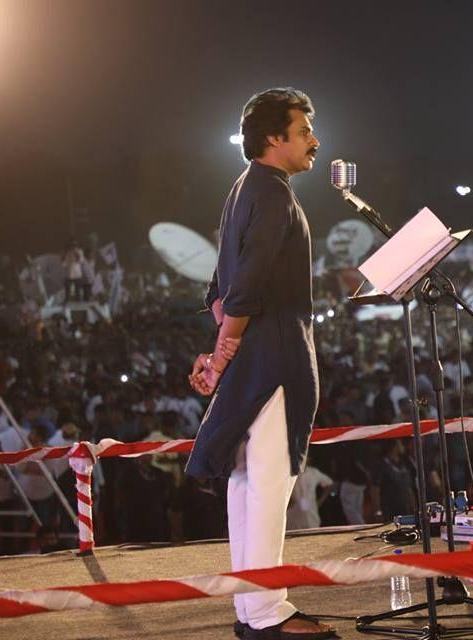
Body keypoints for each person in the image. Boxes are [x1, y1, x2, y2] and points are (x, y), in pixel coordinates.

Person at [184, 87, 335, 639]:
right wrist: (223, 352)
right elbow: (242, 287)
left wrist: (222, 348)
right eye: (303, 132)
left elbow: (221, 288)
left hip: (255, 353)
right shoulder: (272, 193)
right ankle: (268, 613)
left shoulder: (244, 187)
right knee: (269, 482)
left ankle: (253, 610)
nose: (314, 143)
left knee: (247, 481)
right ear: (275, 138)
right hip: (275, 354)